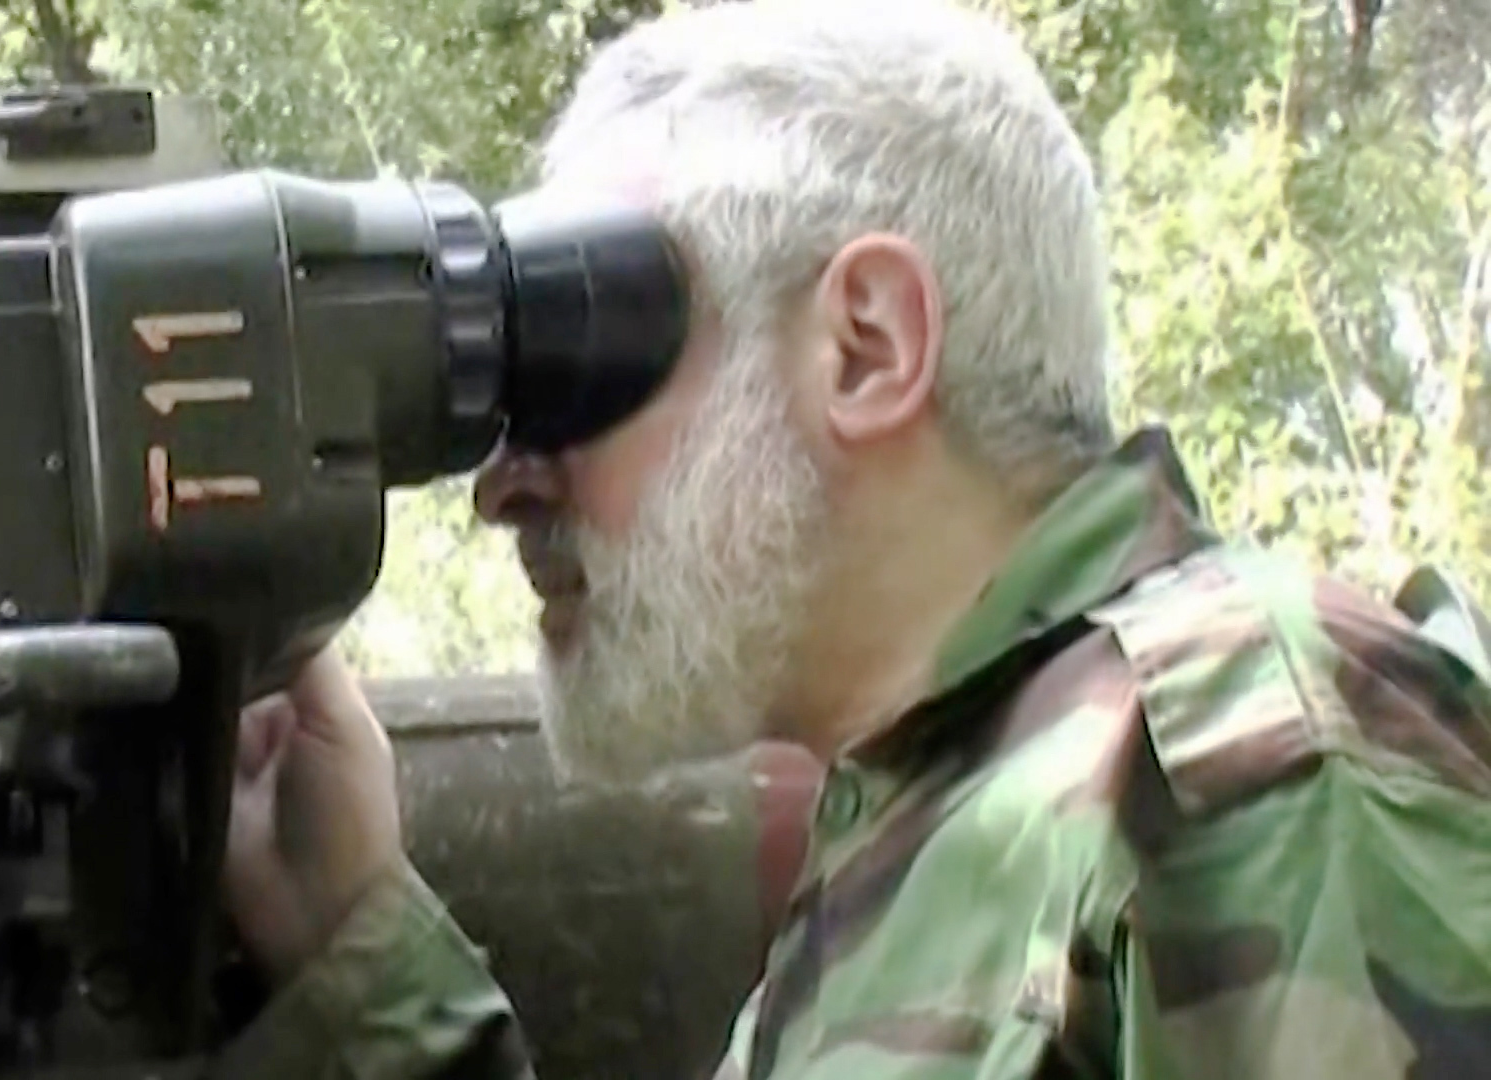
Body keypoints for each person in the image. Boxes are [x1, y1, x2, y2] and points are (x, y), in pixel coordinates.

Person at [215, 0, 1491, 1076]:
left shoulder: (1248, 771)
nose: (502, 485)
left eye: (570, 366)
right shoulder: (931, 821)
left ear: (867, 347)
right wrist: (359, 953)